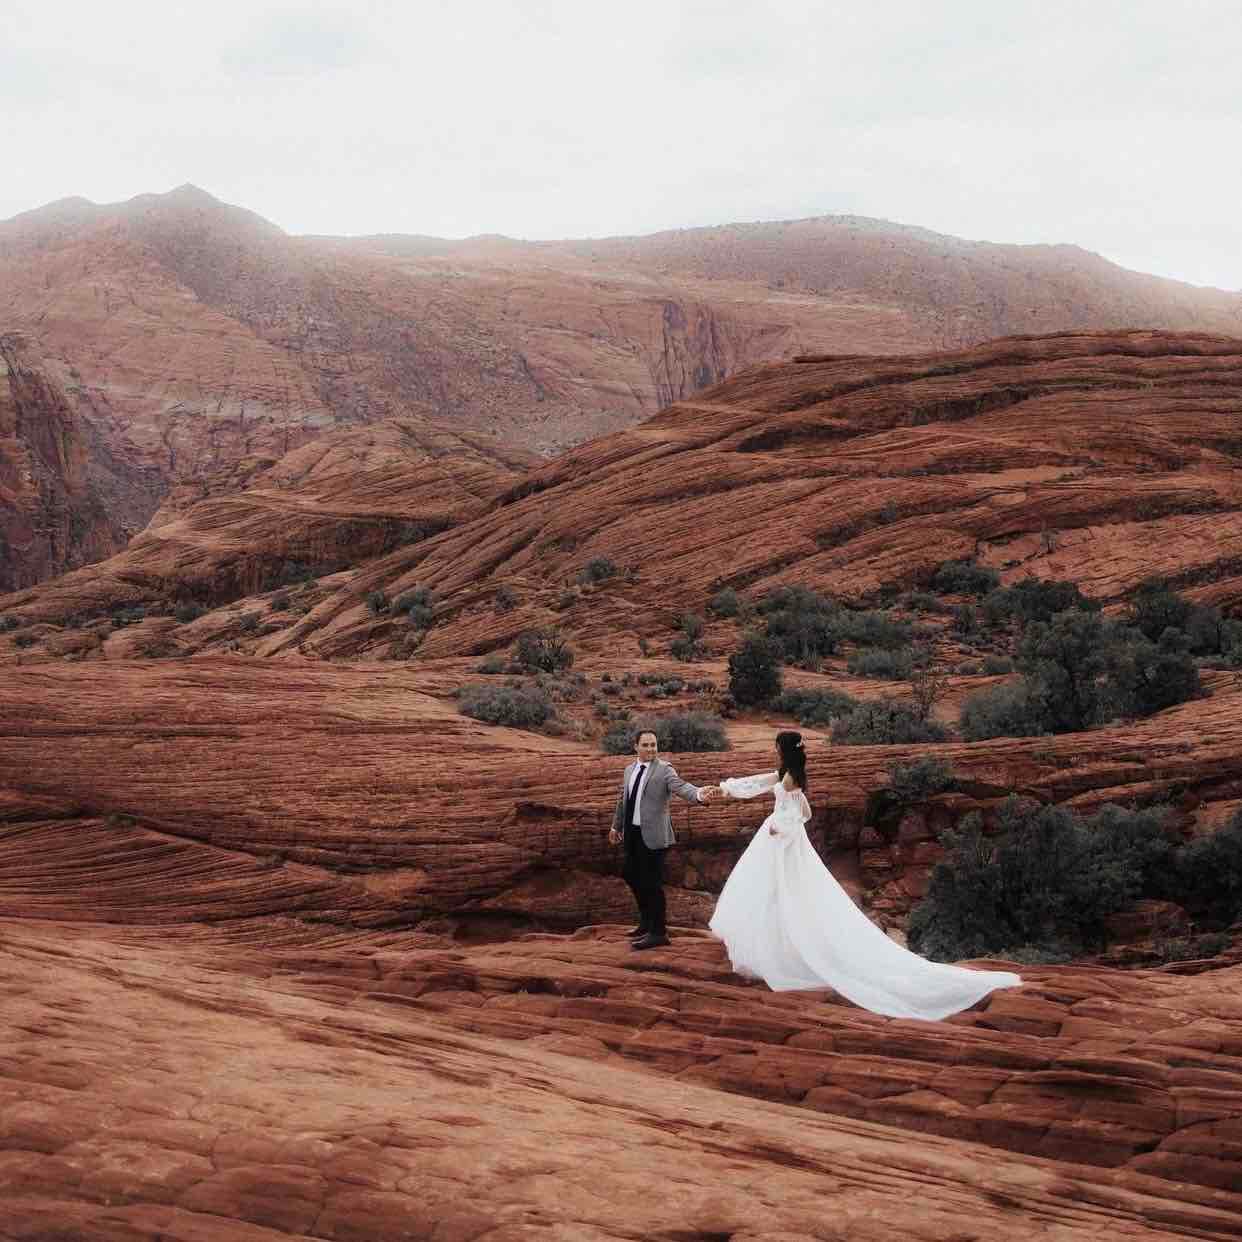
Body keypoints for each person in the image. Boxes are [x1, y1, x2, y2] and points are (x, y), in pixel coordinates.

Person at [702, 730, 1020, 1020]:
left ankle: (782, 951)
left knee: (781, 890)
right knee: (780, 890)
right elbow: (768, 787)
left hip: (780, 840)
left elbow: (799, 811)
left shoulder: (791, 780)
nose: (773, 751)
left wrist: (779, 826)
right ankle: (779, 946)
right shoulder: (788, 774)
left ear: (781, 749)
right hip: (782, 839)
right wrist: (727, 789)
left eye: (775, 747)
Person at [610, 728, 714, 950]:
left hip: (654, 836)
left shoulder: (664, 770)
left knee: (652, 884)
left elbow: (681, 787)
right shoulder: (630, 769)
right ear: (635, 747)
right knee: (630, 875)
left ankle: (658, 933)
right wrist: (616, 825)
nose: (651, 749)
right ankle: (646, 923)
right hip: (632, 833)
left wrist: (698, 794)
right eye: (646, 745)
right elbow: (623, 800)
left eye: (654, 745)